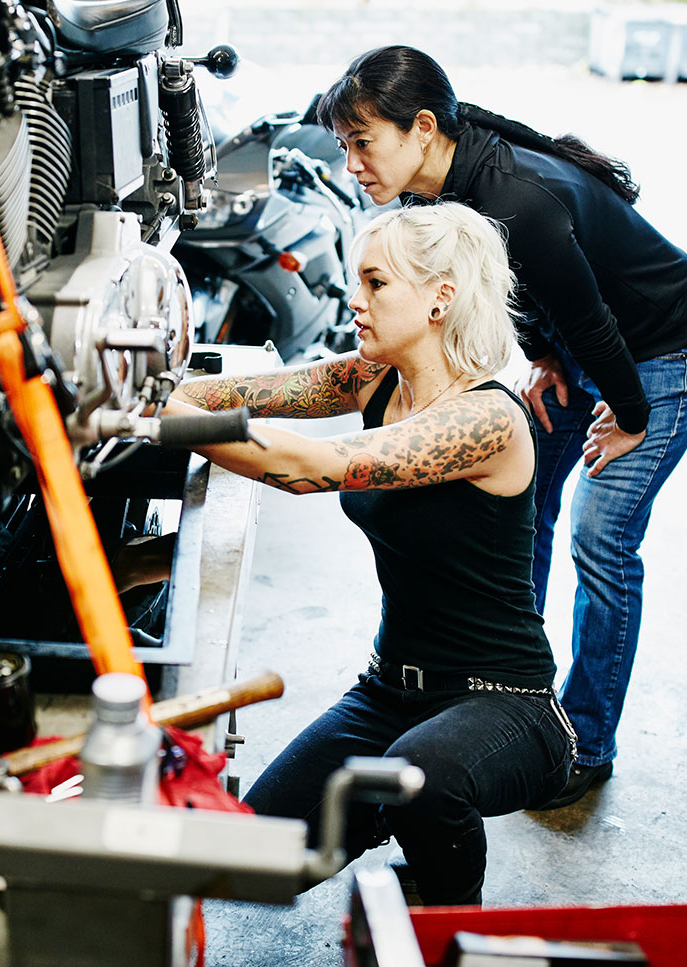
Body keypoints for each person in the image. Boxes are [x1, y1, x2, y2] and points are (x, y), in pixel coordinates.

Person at [316, 46, 687, 808]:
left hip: (661, 351)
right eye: (344, 146)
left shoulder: (515, 198)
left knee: (601, 542)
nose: (351, 164)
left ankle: (582, 742)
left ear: (423, 128)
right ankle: (493, 696)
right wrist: (545, 356)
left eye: (361, 142)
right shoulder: (430, 202)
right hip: (582, 345)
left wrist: (629, 416)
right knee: (521, 507)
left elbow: (595, 318)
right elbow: (496, 291)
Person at [165, 202, 574, 906]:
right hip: (391, 695)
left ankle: (448, 924)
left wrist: (171, 423)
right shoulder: (371, 378)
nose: (354, 301)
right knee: (248, 860)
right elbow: (242, 394)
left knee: (419, 776)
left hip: (505, 703)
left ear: (440, 296)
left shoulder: (486, 420)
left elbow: (307, 467)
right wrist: (163, 392)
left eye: (376, 283)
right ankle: (397, 818)